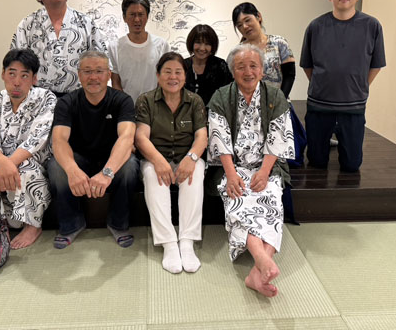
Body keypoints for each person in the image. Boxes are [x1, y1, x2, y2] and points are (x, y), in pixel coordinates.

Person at [208, 44, 295, 297]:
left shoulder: (275, 96)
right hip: (232, 166)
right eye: (241, 67)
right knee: (238, 199)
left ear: (262, 69)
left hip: (266, 165)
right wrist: (231, 174)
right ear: (232, 71)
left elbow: (278, 137)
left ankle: (258, 268)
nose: (248, 72)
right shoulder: (221, 96)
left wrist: (265, 172)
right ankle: (262, 259)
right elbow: (219, 138)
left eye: (253, 66)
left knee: (272, 199)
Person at [0, 48, 56, 249]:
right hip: (0, 162)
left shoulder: (46, 99)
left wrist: (9, 164)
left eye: (24, 75)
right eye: (12, 74)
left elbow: (37, 139)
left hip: (32, 162)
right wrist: (3, 163)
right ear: (3, 74)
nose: (16, 82)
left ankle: (33, 225)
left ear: (34, 78)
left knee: (27, 168)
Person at [48, 50, 139, 249]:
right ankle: (71, 225)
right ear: (79, 75)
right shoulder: (66, 102)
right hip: (79, 158)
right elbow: (59, 140)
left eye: (99, 71)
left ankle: (118, 224)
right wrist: (72, 171)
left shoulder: (122, 100)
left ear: (108, 74)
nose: (93, 77)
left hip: (111, 159)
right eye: (87, 71)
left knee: (130, 165)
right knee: (56, 167)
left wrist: (107, 173)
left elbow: (126, 138)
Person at [300, 0, 386, 172]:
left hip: (353, 106)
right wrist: (324, 84)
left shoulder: (372, 26)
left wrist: (360, 85)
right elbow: (308, 65)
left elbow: (376, 64)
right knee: (316, 161)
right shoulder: (315, 26)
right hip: (319, 105)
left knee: (352, 164)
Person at [135, 52, 207, 274]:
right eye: (167, 72)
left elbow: (202, 137)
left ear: (185, 76)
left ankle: (187, 242)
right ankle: (168, 243)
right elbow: (141, 137)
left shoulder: (195, 101)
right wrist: (158, 160)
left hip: (187, 156)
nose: (173, 77)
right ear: (158, 75)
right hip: (155, 157)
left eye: (178, 72)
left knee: (196, 174)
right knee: (152, 175)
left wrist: (191, 158)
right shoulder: (146, 100)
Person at [10, 0, 108, 97]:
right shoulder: (27, 24)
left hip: (79, 98)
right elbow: (16, 63)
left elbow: (101, 60)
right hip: (38, 98)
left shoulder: (86, 23)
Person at [232, 2, 306, 168]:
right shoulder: (239, 51)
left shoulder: (279, 43)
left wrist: (279, 101)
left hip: (279, 103)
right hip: (252, 107)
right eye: (239, 25)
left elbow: (289, 75)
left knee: (290, 158)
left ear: (258, 17)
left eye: (247, 20)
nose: (244, 27)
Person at [108, 0, 170, 102]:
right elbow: (116, 81)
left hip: (154, 105)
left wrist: (154, 104)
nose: (137, 19)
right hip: (126, 106)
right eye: (132, 14)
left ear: (147, 16)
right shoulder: (114, 47)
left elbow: (164, 78)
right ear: (124, 17)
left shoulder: (162, 45)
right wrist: (124, 105)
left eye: (141, 14)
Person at [184, 24, 233, 106]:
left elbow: (228, 94)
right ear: (191, 43)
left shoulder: (220, 66)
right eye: (198, 42)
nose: (202, 48)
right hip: (186, 112)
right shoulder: (182, 65)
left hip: (214, 112)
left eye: (207, 44)